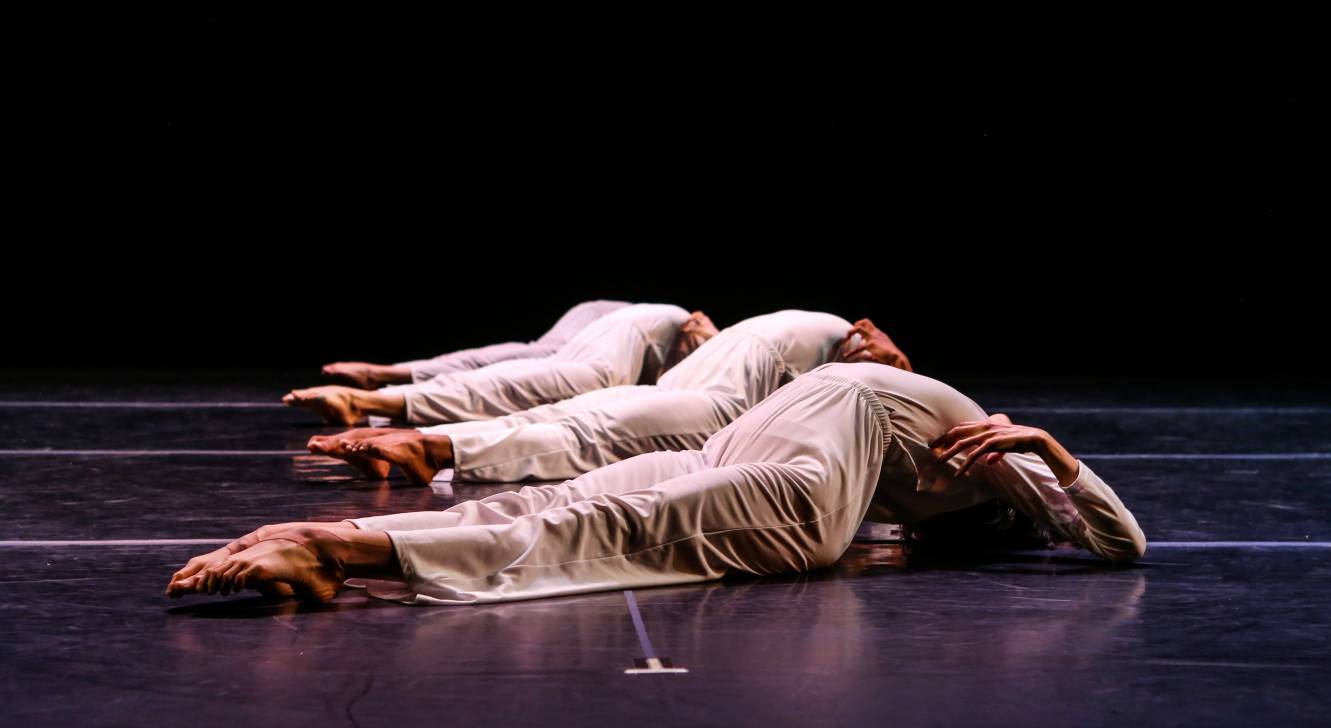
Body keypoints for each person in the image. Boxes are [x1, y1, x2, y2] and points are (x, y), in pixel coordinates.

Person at [167, 362, 1146, 605]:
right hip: (750, 457)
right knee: (568, 499)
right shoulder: (922, 493)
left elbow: (1120, 544)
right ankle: (348, 537)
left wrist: (1054, 455)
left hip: (793, 489)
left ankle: (338, 550)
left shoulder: (999, 470)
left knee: (604, 527)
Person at [306, 311, 911, 484]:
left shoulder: (842, 376)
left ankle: (426, 444)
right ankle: (411, 429)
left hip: (718, 405)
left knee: (582, 422)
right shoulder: (835, 336)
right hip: (704, 388)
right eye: (895, 359)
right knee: (575, 409)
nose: (889, 362)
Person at [282, 303, 699, 425]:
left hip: (624, 320)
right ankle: (376, 395)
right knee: (583, 377)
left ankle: (381, 385)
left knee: (535, 356)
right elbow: (699, 326)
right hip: (656, 326)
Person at [318, 299, 635, 389]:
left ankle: (396, 382)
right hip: (629, 316)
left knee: (543, 358)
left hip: (643, 333)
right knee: (539, 353)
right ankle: (394, 376)